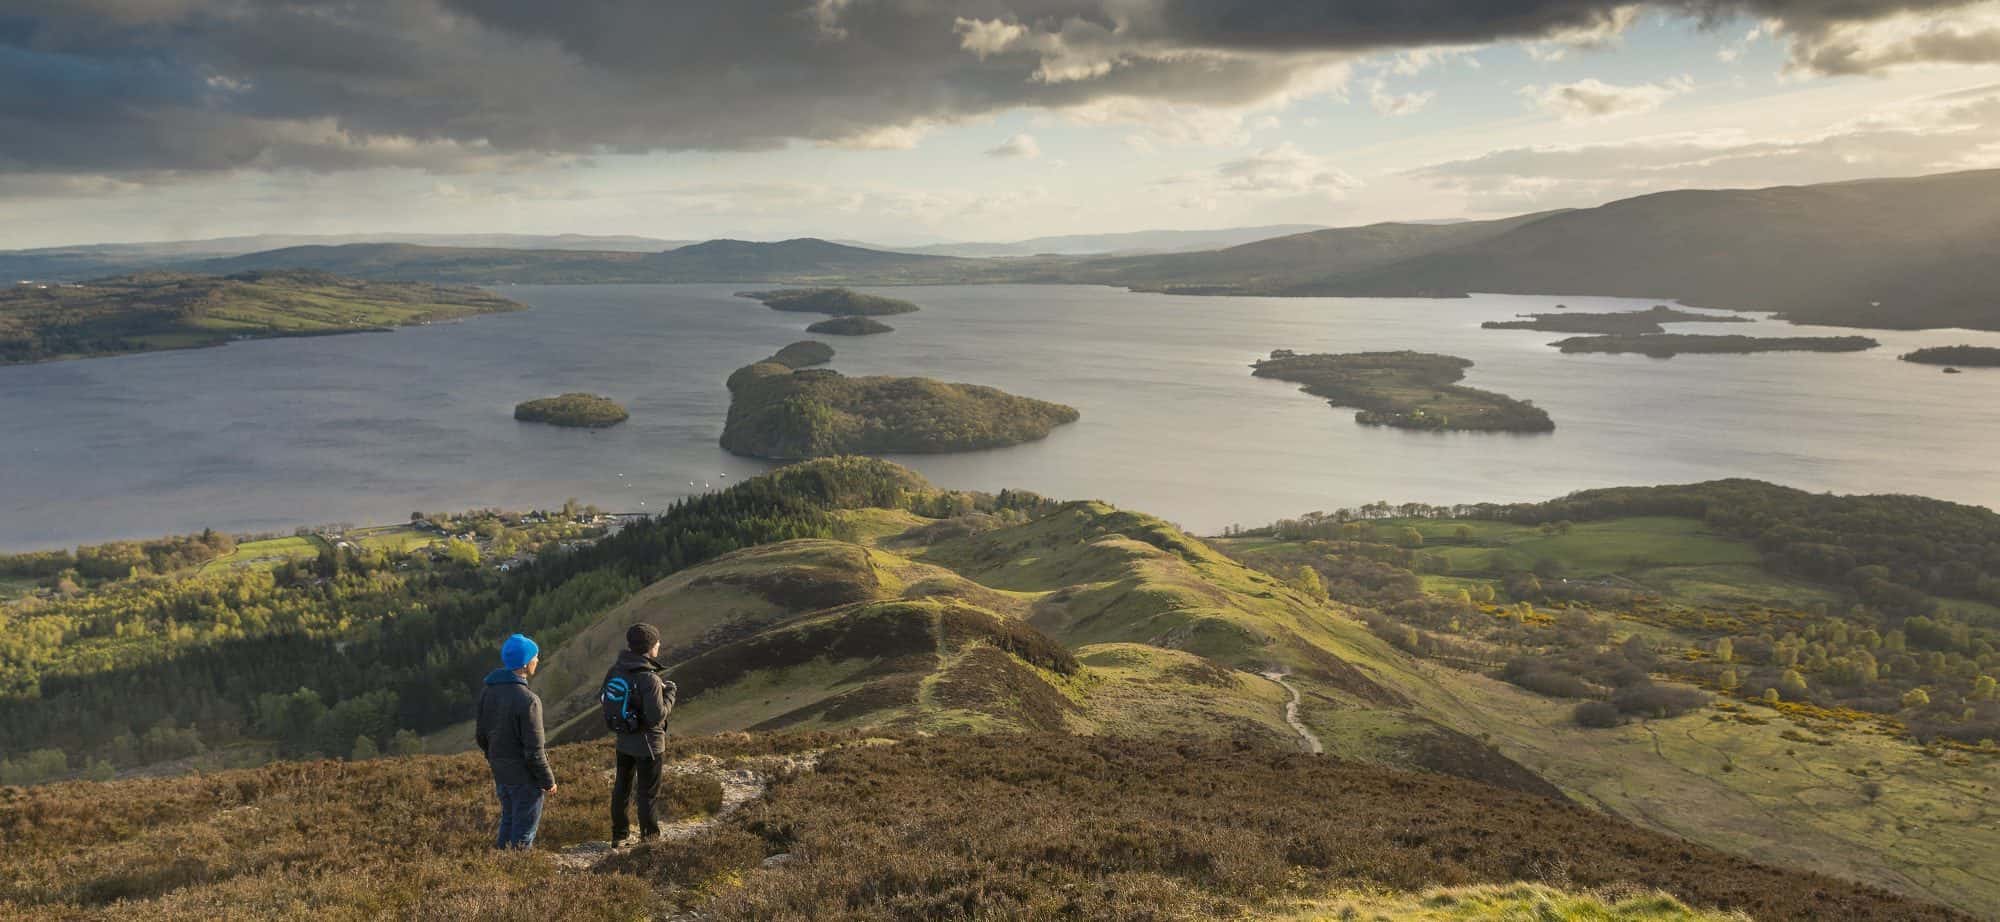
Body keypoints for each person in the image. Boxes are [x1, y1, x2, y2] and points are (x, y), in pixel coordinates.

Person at [476, 632, 557, 849]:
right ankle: (517, 874)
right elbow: (534, 750)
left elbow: (481, 735)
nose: (537, 660)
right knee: (523, 832)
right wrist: (548, 781)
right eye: (535, 656)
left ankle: (500, 870)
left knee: (509, 821)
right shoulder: (528, 700)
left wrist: (496, 759)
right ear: (525, 663)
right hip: (524, 777)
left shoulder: (488, 691)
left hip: (501, 772)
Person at [605, 623, 677, 845]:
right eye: (657, 643)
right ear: (649, 648)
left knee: (622, 788)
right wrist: (670, 693)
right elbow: (657, 716)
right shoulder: (649, 678)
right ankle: (650, 839)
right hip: (649, 745)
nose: (659, 646)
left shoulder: (616, 670)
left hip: (624, 740)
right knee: (647, 794)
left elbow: (605, 697)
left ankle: (619, 835)